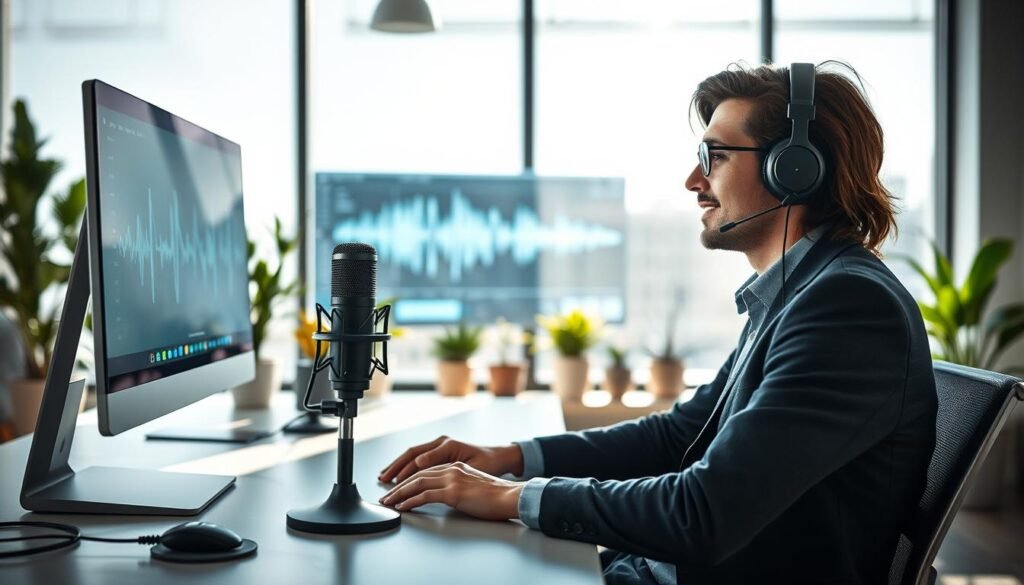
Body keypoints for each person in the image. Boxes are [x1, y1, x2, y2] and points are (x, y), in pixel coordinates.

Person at [377, 62, 937, 585]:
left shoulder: (846, 307)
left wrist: (509, 497)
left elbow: (706, 511)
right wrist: (510, 459)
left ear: (794, 171)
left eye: (715, 156)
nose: (693, 180)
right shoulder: (802, 292)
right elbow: (678, 435)